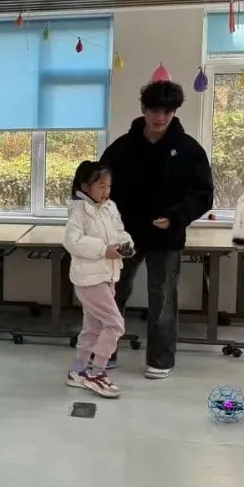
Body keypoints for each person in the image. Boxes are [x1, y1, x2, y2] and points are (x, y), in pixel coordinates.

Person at [100, 79, 213, 379]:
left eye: (167, 112)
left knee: (163, 298)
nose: (160, 118)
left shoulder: (189, 150)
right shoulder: (121, 148)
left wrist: (176, 216)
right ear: (143, 109)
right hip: (123, 235)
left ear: (174, 112)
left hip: (166, 236)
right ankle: (104, 353)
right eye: (154, 110)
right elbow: (100, 188)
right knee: (112, 293)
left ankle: (160, 360)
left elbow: (203, 193)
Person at [63, 161, 132, 399]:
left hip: (108, 275)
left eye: (108, 186)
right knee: (115, 324)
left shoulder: (110, 206)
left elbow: (120, 231)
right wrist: (104, 250)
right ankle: (97, 372)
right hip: (89, 279)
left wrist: (126, 244)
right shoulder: (79, 209)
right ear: (85, 186)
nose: (106, 191)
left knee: (93, 328)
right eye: (101, 186)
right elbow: (72, 242)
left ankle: (77, 371)